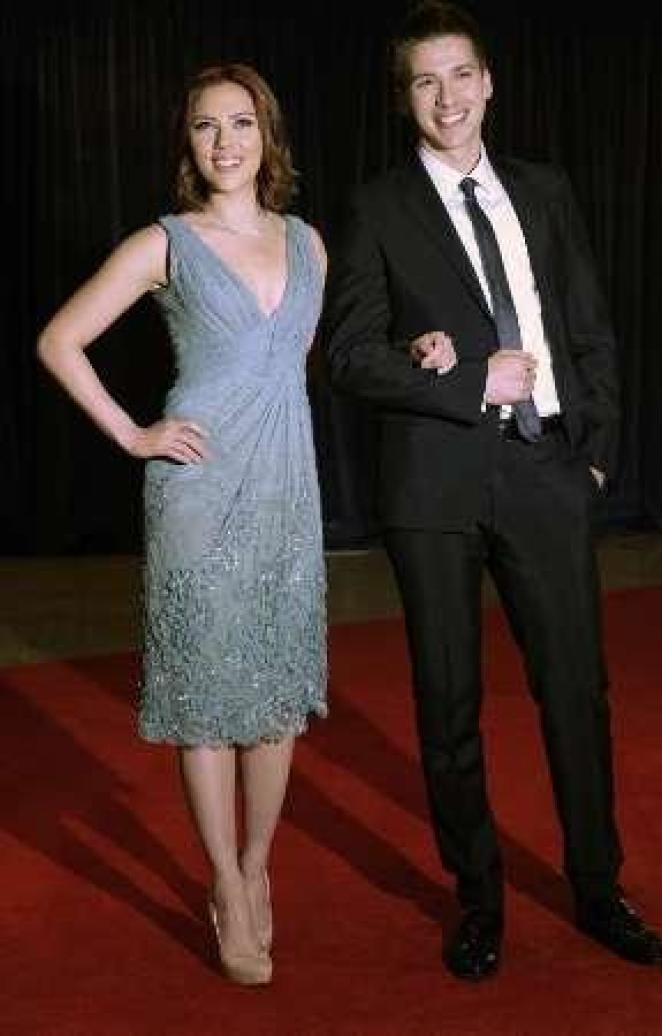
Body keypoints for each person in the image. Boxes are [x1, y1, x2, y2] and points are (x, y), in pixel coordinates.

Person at [323, 1, 662, 980]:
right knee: (448, 703)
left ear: (488, 82)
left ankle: (597, 887)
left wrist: (593, 455)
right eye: (424, 82)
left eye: (460, 74)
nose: (446, 97)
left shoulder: (544, 190)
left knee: (575, 690)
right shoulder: (379, 206)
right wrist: (459, 376)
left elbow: (591, 330)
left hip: (545, 475)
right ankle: (477, 900)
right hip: (433, 491)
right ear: (407, 99)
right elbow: (348, 353)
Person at [37, 63, 327, 986]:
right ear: (189, 146)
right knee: (206, 700)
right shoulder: (166, 243)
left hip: (286, 491)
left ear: (267, 135)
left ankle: (255, 865)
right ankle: (223, 886)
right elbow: (59, 339)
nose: (226, 141)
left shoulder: (310, 243)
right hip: (196, 492)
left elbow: (293, 364)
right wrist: (133, 434)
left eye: (242, 123)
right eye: (207, 127)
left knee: (275, 694)